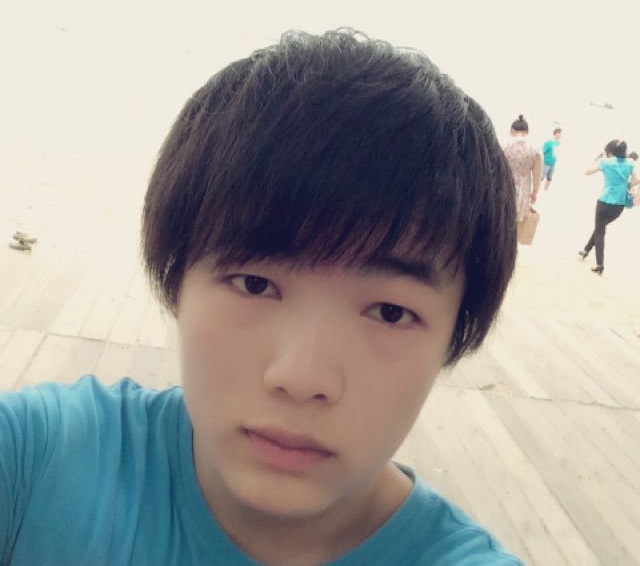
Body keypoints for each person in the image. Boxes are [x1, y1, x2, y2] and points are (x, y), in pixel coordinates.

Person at [0, 29, 522, 565]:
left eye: (390, 312)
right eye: (255, 284)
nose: (301, 378)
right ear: (177, 282)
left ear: (454, 336)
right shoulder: (35, 460)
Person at [579, 139, 639, 275]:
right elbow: (637, 180)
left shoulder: (605, 162)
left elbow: (587, 172)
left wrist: (595, 159)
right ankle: (586, 250)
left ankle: (599, 264)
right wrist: (626, 186)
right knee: (600, 228)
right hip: (619, 205)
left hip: (604, 202)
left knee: (600, 231)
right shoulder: (631, 163)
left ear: (611, 151)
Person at [502, 114, 542, 242]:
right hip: (523, 190)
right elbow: (537, 174)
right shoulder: (535, 149)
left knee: (502, 219)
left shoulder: (503, 145)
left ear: (512, 130)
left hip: (504, 187)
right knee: (516, 224)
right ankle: (512, 246)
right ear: (527, 132)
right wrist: (535, 192)